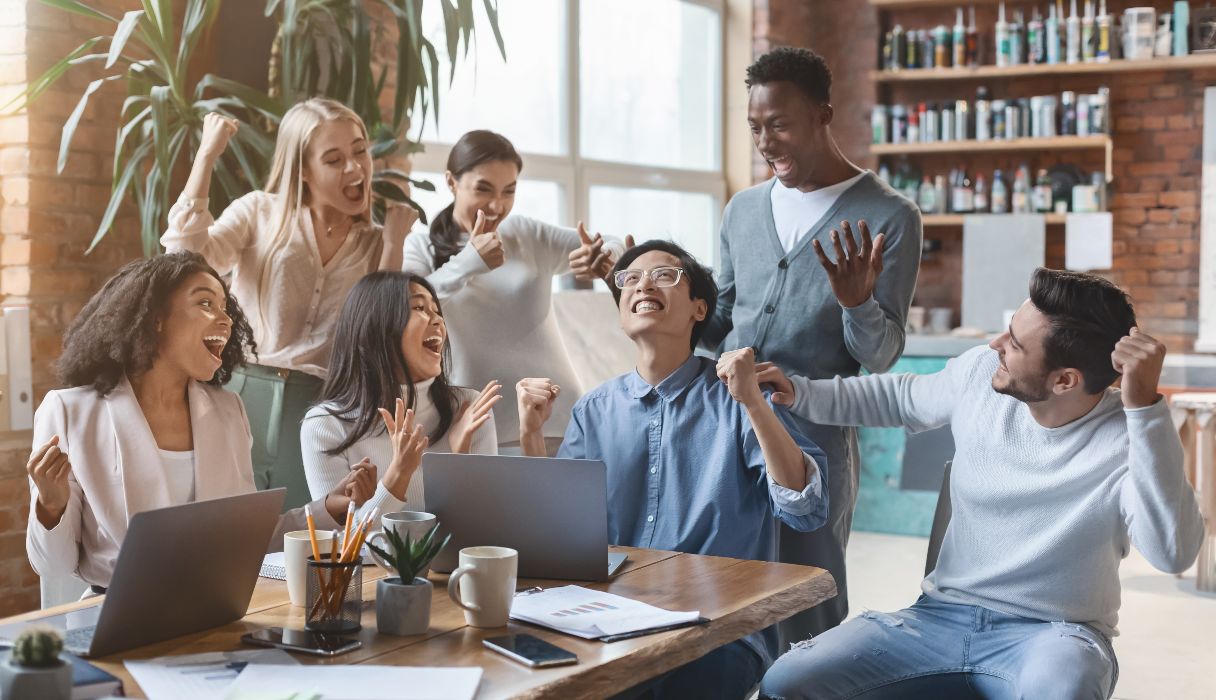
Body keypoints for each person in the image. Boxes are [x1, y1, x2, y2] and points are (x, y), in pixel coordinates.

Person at [758, 269, 1205, 700]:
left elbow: (1172, 552)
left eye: (1014, 343)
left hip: (1054, 636)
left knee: (1064, 689)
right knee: (788, 681)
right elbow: (897, 397)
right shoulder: (981, 375)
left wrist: (1145, 410)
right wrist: (800, 393)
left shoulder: (1130, 436)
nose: (995, 345)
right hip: (937, 619)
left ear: (1064, 380)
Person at [517, 240, 829, 698]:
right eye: (630, 278)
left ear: (699, 308)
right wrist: (530, 437)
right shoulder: (594, 410)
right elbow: (558, 538)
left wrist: (753, 404)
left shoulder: (737, 396)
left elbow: (806, 506)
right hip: (610, 617)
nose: (643, 282)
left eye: (665, 275)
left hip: (719, 628)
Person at [702, 46, 923, 641]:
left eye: (779, 124)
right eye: (754, 127)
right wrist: (648, 297)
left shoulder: (889, 216)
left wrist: (856, 302)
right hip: (725, 427)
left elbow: (880, 357)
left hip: (814, 433)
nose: (766, 141)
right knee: (721, 584)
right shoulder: (742, 210)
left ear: (824, 115)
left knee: (809, 595)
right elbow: (719, 315)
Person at [25, 252, 374, 592]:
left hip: (212, 609)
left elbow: (245, 538)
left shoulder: (228, 412)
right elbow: (53, 567)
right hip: (110, 613)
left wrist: (329, 508)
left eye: (225, 307)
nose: (226, 320)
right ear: (154, 317)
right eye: (206, 303)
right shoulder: (70, 412)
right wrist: (51, 506)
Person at [161, 99, 418, 508]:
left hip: (320, 407)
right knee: (228, 527)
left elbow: (378, 329)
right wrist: (206, 157)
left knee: (305, 537)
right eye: (334, 160)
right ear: (303, 169)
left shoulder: (373, 242)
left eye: (359, 151)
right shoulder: (259, 212)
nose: (355, 168)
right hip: (240, 390)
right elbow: (183, 260)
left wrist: (393, 246)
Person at [403, 129, 628, 452]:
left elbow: (612, 244)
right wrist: (470, 261)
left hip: (557, 417)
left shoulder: (524, 233)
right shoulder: (421, 246)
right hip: (474, 426)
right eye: (483, 189)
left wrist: (605, 257)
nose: (497, 205)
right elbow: (406, 307)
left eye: (509, 191)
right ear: (451, 182)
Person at [300, 271, 500, 520]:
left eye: (437, 311)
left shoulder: (468, 407)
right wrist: (398, 475)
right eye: (419, 307)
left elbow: (483, 528)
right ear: (378, 327)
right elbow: (344, 546)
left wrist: (457, 460)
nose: (438, 321)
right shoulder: (324, 425)